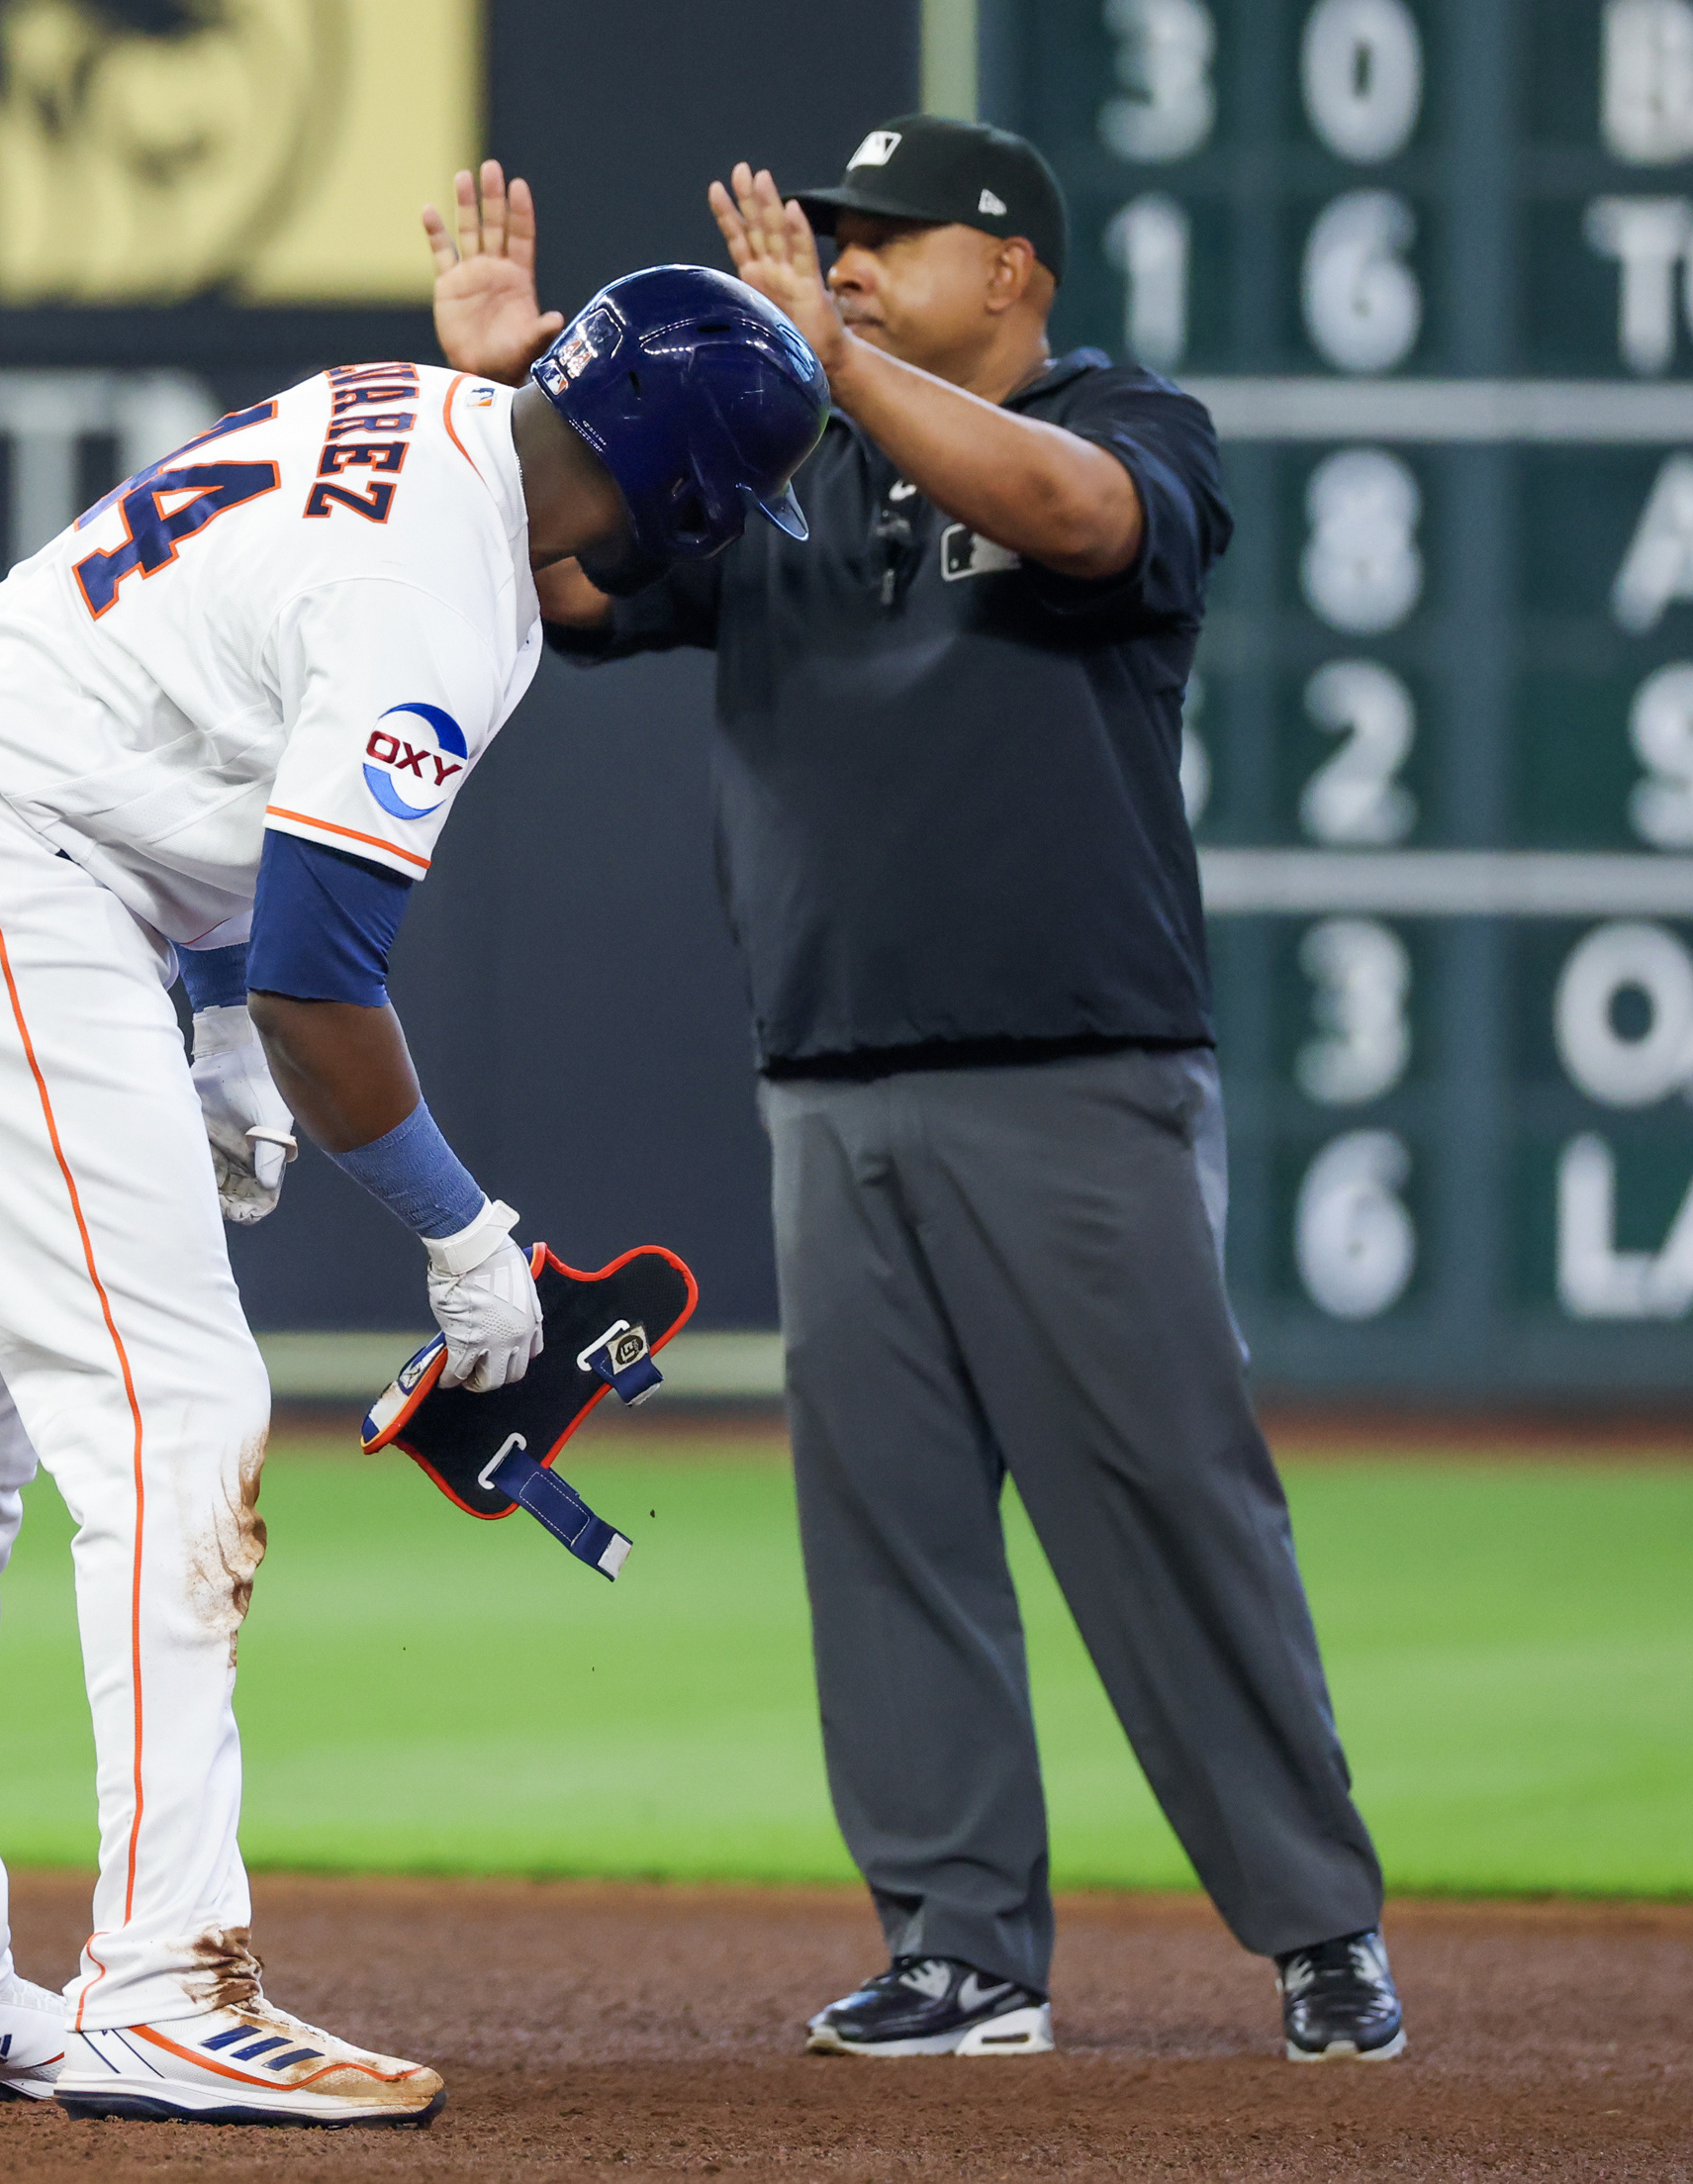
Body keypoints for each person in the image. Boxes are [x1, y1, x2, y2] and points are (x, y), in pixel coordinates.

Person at [0, 273, 828, 2124]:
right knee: (181, 1413)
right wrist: (463, 1231)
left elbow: (215, 720)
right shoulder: (448, 583)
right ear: (686, 496)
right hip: (4, 872)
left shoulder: (405, 407)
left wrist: (222, 1033)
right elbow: (326, 974)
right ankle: (165, 1977)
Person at [423, 123, 1407, 2064]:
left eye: (890, 239)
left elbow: (1083, 521)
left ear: (1015, 266)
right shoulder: (783, 465)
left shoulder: (1132, 421)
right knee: (887, 1533)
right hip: (826, 1073)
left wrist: (835, 361)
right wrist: (489, 394)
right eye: (836, 243)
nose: (849, 262)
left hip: (1074, 1068)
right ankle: (962, 1949)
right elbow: (562, 588)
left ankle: (1320, 1932)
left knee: (1166, 1511)